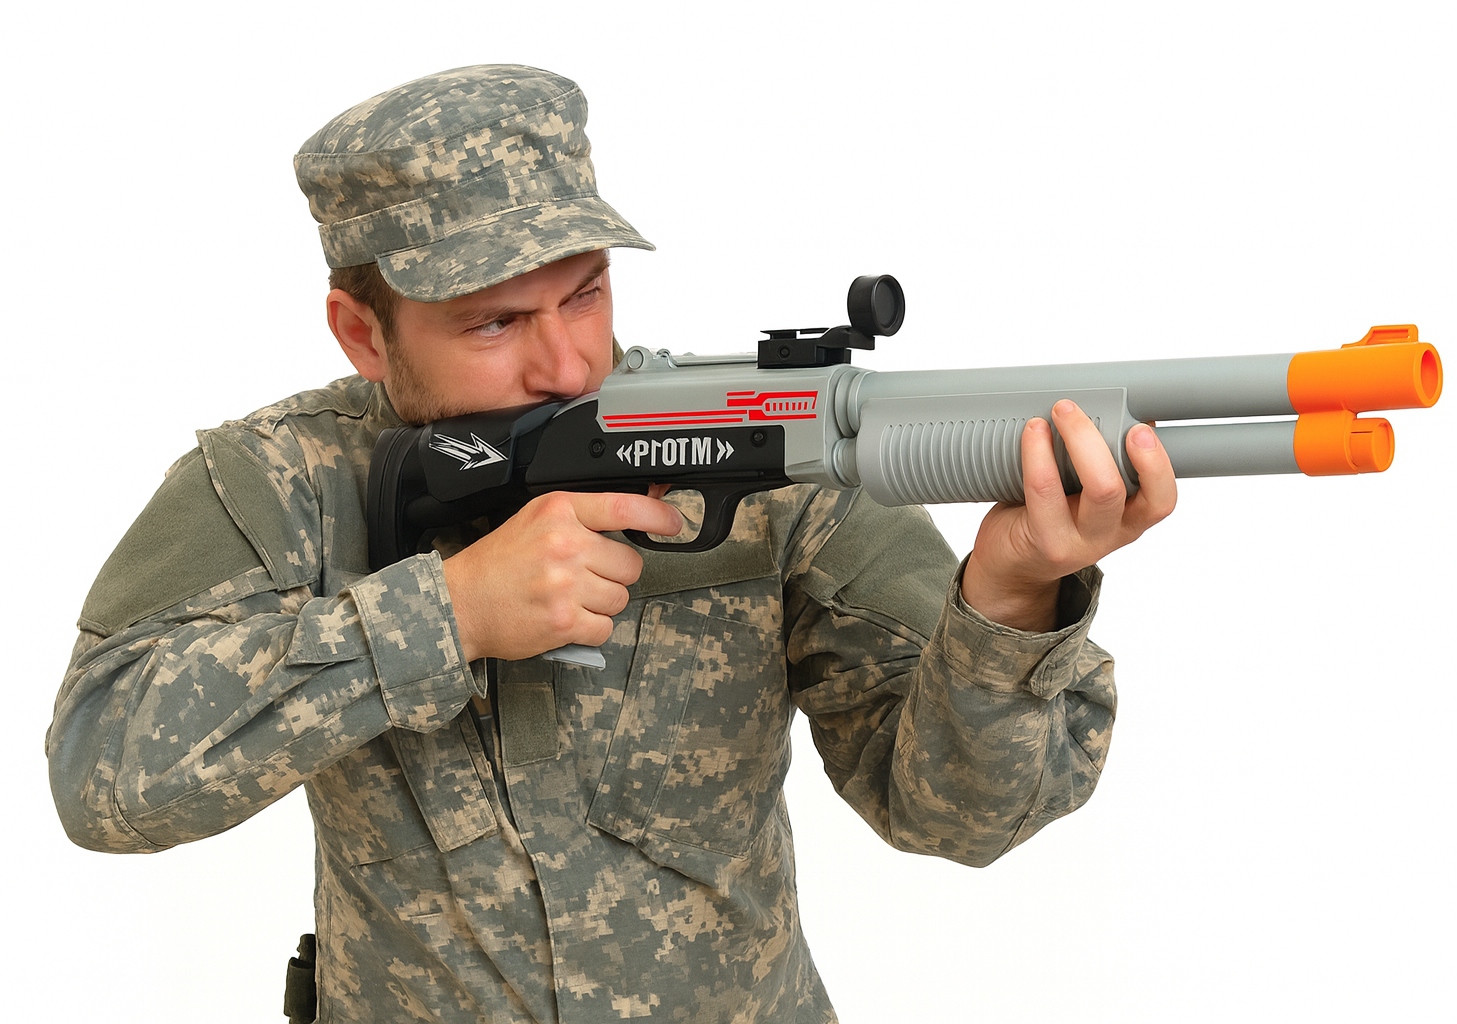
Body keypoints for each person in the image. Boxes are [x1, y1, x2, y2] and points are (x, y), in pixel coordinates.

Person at [47, 65, 1176, 1023]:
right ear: (363, 333)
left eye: (584, 296)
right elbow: (101, 777)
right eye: (494, 322)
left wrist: (1012, 596)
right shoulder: (279, 481)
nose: (564, 365)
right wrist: (446, 614)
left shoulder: (758, 450)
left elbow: (957, 816)